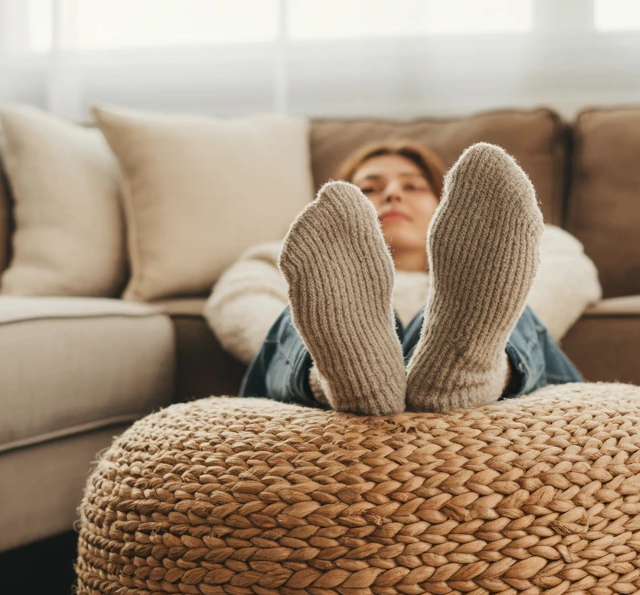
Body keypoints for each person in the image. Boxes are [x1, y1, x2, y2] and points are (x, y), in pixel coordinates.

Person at [240, 140, 584, 414]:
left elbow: (568, 269)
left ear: (447, 208)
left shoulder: (527, 240)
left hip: (482, 343)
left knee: (505, 308)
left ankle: (473, 370)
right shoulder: (284, 252)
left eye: (414, 186)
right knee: (300, 314)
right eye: (369, 189)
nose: (392, 193)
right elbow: (242, 296)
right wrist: (318, 329)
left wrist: (497, 306)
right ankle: (345, 379)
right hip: (324, 362)